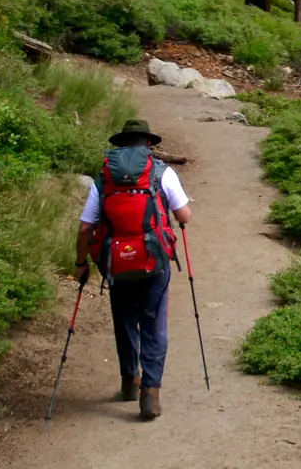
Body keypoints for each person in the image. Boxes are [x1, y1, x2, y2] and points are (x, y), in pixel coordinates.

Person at [76, 119, 192, 422]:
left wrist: (81, 265)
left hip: (116, 263)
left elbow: (85, 227)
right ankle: (150, 395)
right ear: (149, 144)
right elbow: (184, 215)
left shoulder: (104, 178)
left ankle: (130, 381)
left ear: (121, 145)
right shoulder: (162, 172)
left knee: (125, 320)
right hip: (153, 262)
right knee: (154, 325)